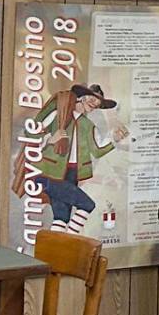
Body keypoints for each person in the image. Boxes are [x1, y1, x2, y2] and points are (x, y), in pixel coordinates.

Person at [32, 83, 126, 228]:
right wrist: (50, 140)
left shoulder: (88, 125)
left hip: (72, 174)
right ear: (82, 96)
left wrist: (114, 140)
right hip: (50, 172)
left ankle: (59, 241)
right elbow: (32, 134)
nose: (94, 105)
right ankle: (72, 238)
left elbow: (97, 150)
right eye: (93, 100)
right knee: (87, 204)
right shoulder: (58, 114)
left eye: (98, 104)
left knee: (62, 217)